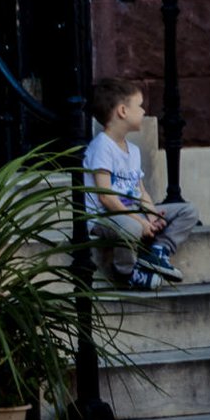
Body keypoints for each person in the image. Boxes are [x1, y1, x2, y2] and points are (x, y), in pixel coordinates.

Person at [83, 78, 197, 291]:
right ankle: (126, 271)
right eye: (140, 105)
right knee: (132, 227)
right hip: (106, 217)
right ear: (123, 111)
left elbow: (140, 190)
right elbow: (105, 197)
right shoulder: (102, 147)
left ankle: (158, 251)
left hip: (134, 213)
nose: (144, 111)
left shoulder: (132, 150)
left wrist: (152, 214)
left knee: (187, 211)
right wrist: (141, 222)